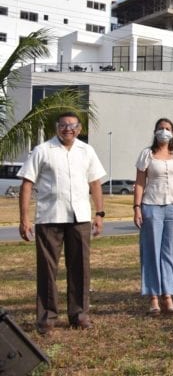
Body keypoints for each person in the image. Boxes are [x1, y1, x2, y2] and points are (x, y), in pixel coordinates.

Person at [18, 111, 107, 334]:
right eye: (63, 125)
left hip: (80, 218)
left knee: (80, 268)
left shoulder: (86, 151)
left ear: (79, 129)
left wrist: (100, 213)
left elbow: (95, 183)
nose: (68, 129)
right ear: (57, 128)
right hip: (50, 217)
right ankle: (47, 318)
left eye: (72, 125)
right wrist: (24, 218)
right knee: (47, 270)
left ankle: (79, 315)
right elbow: (27, 184)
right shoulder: (42, 150)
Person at [133, 118, 173, 316]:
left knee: (171, 252)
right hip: (151, 206)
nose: (164, 132)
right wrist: (137, 207)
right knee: (151, 251)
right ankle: (153, 298)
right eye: (160, 129)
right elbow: (140, 182)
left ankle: (168, 295)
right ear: (155, 131)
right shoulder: (147, 154)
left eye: (167, 129)